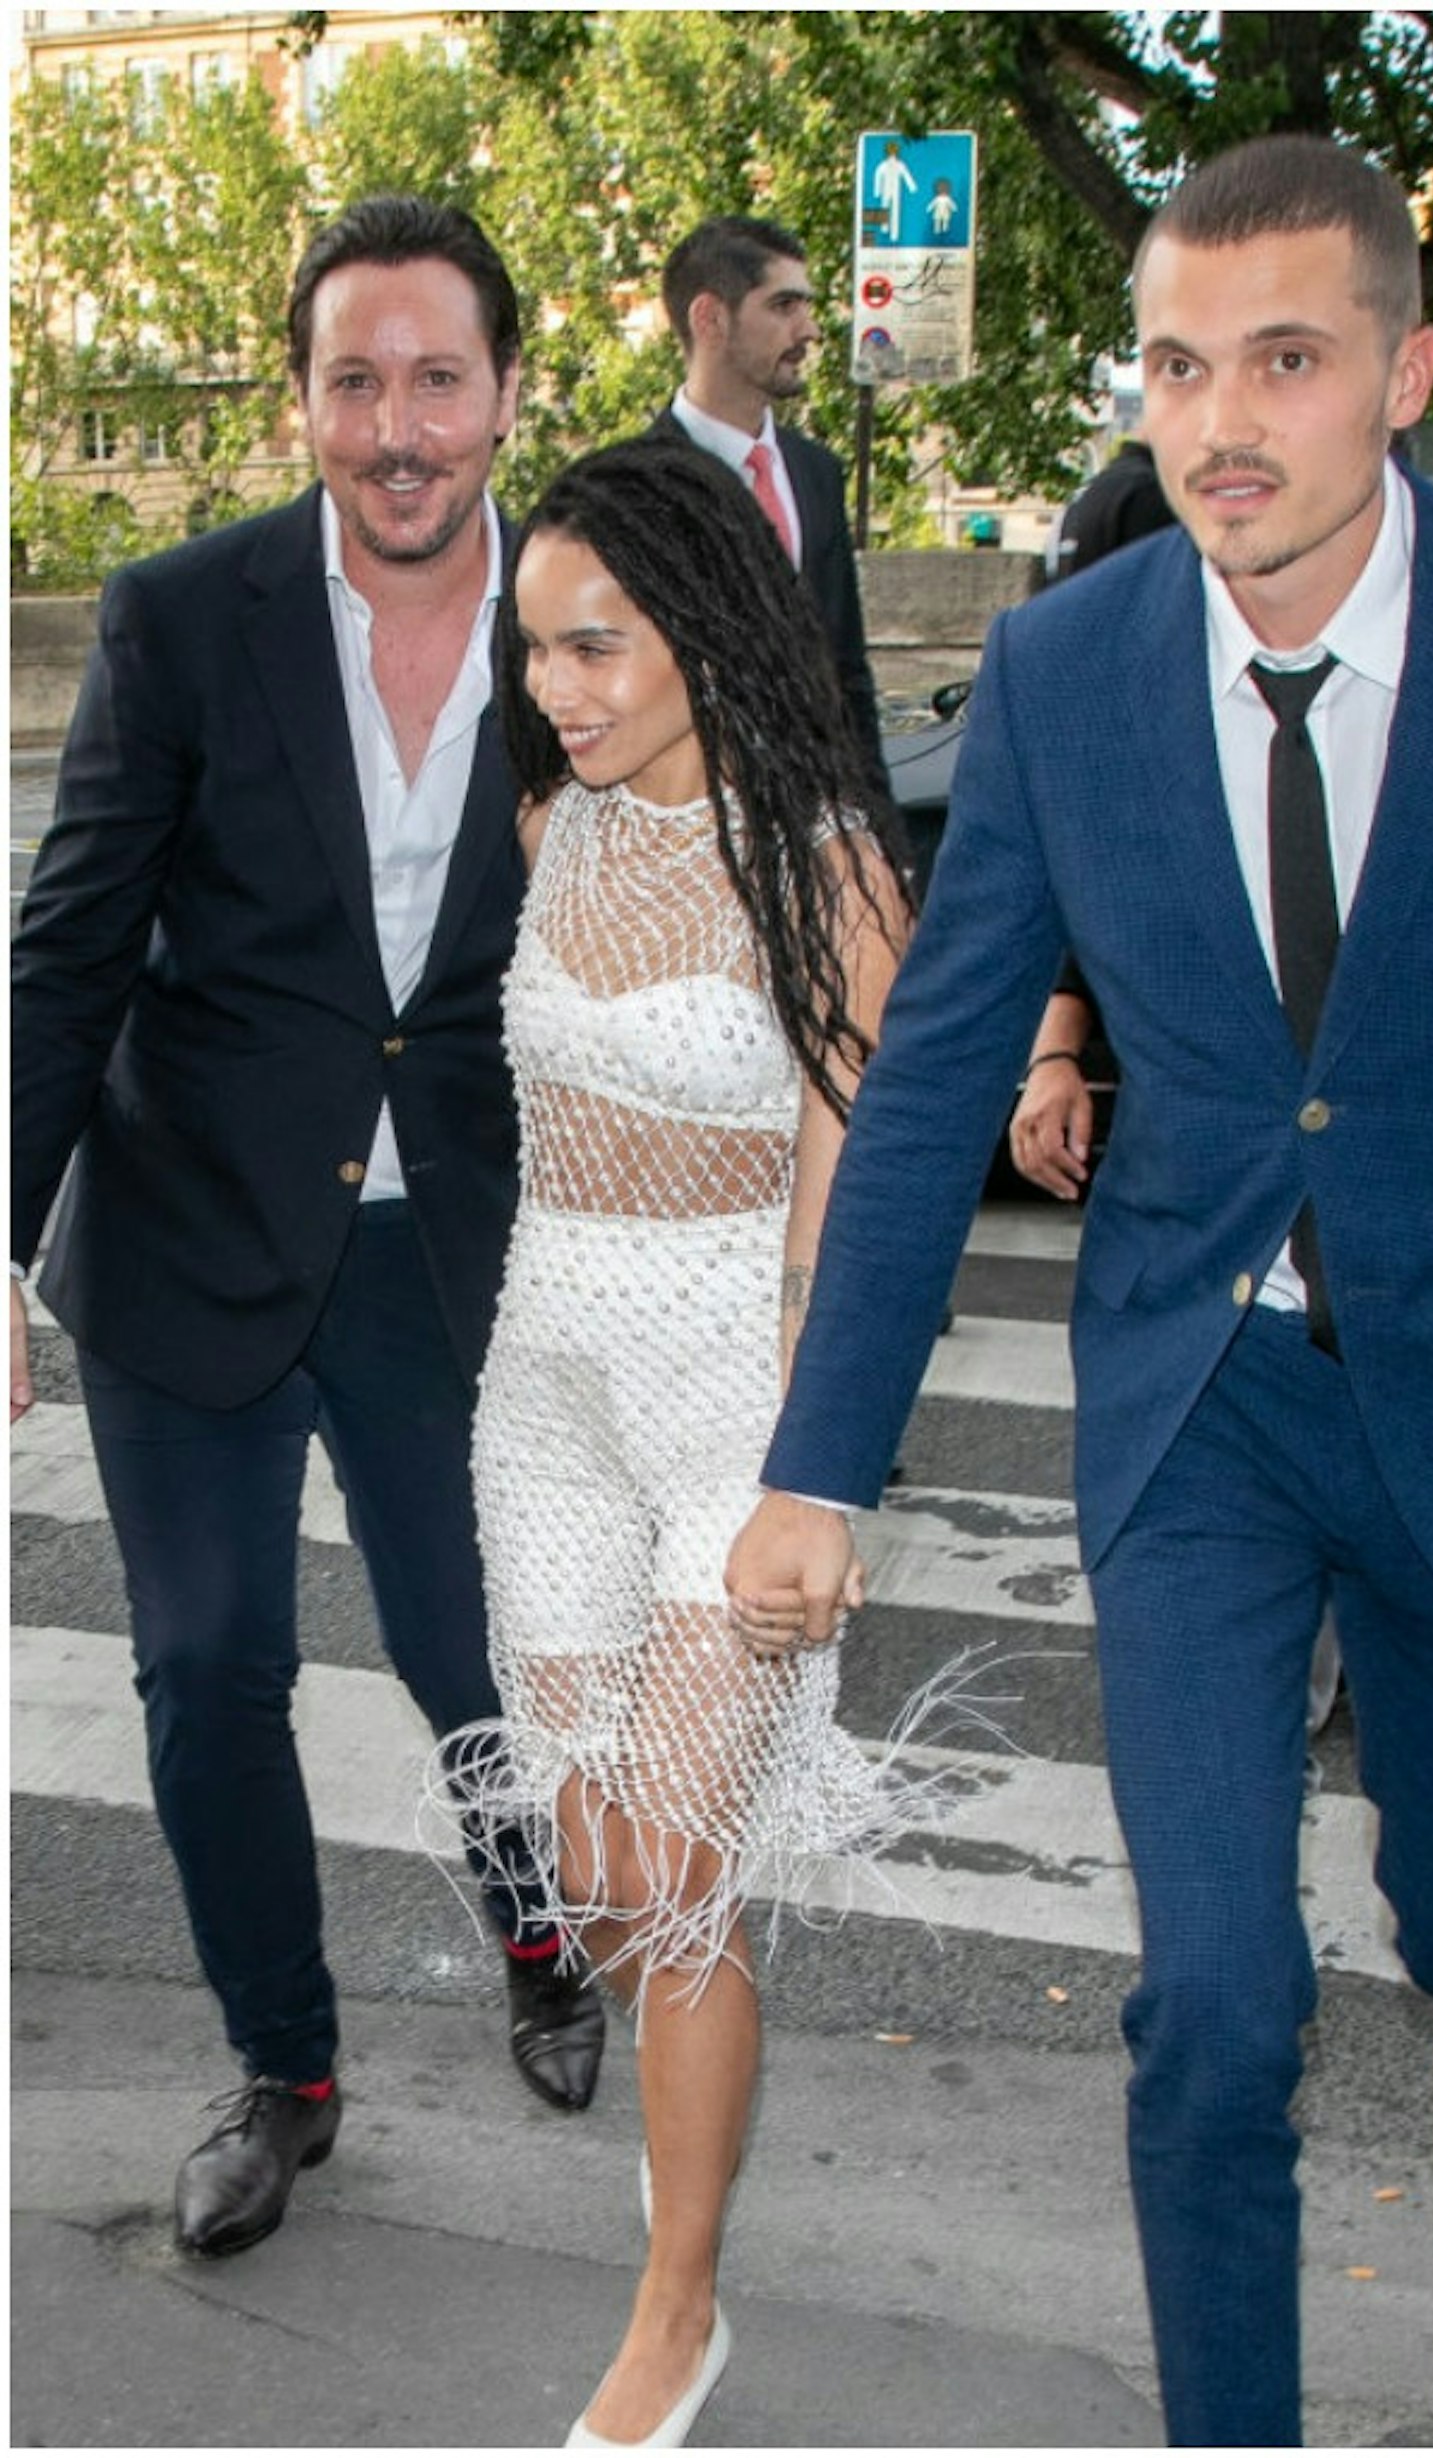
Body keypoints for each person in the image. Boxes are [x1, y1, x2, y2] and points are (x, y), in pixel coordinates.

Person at [721, 134, 1433, 2445]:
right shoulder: (1066, 669)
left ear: (1405, 369)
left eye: (1281, 362)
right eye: (1179, 364)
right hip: (1199, 1402)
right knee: (1211, 1999)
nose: (1218, 425)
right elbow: (922, 1103)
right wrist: (818, 1460)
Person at [7, 194, 603, 2260]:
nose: (400, 423)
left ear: (507, 392)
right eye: (357, 380)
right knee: (204, 1666)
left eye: (440, 376)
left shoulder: (591, 624)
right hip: (187, 1229)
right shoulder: (185, 617)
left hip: (442, 1240)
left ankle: (538, 1931)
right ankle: (286, 2067)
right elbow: (69, 949)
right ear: (305, 403)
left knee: (475, 1648)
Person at [440, 436, 929, 2448]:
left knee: (679, 1871)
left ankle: (679, 2294)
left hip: (731, 1398)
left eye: (596, 641)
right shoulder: (556, 818)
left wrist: (822, 1472)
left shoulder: (823, 866)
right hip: (541, 1388)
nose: (556, 683)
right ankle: (685, 2115)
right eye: (536, 645)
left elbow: (858, 1196)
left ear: (703, 630)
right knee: (596, 1871)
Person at [645, 216, 887, 799]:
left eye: (805, 306)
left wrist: (882, 841)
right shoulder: (637, 488)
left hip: (818, 834)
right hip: (690, 845)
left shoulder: (817, 475)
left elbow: (847, 674)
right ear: (711, 319)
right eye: (783, 306)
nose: (808, 329)